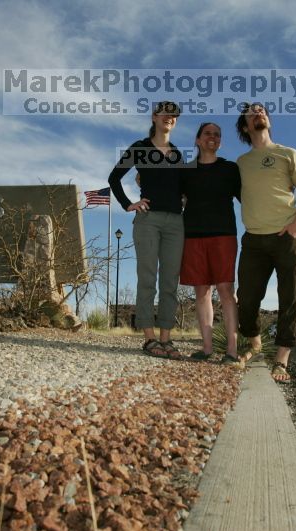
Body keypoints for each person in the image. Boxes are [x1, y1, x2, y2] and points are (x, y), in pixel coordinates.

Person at [235, 102, 296, 382]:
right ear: (245, 126)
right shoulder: (241, 164)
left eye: (263, 110)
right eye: (252, 112)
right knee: (245, 297)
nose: (260, 113)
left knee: (290, 295)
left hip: (287, 235)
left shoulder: (288, 154)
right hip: (253, 239)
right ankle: (255, 344)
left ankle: (281, 360)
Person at [108, 101, 185, 358]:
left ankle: (167, 339)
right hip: (148, 220)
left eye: (174, 115)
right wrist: (128, 204)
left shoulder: (177, 153)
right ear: (154, 117)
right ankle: (150, 339)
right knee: (148, 278)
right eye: (165, 113)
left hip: (176, 222)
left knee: (170, 281)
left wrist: (184, 198)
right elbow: (114, 178)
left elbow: (180, 186)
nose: (169, 118)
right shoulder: (140, 148)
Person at [179, 122, 241, 362]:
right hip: (193, 236)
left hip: (223, 235)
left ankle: (232, 352)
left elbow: (247, 198)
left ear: (220, 142)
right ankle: (207, 349)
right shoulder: (186, 171)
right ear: (197, 140)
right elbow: (172, 194)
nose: (212, 137)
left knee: (226, 290)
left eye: (217, 134)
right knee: (202, 291)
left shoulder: (230, 169)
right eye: (207, 133)